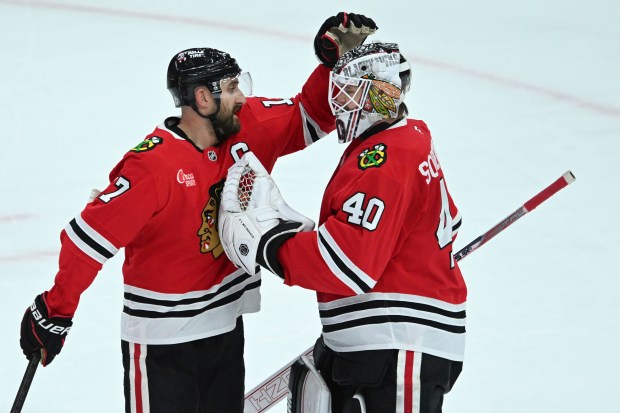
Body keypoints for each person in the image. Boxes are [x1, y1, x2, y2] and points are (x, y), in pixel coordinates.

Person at [18, 13, 378, 413]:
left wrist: (332, 63)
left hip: (225, 332)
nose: (242, 96)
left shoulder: (247, 128)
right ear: (202, 99)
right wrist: (55, 311)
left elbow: (309, 114)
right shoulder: (152, 166)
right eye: (231, 88)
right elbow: (86, 241)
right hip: (161, 347)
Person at [219, 42, 466, 413]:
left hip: (399, 344)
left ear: (379, 95)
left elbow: (347, 265)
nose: (338, 104)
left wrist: (271, 245)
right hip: (380, 341)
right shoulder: (405, 136)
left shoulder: (385, 159)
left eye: (348, 92)